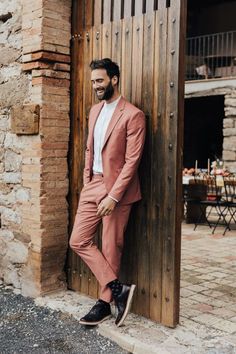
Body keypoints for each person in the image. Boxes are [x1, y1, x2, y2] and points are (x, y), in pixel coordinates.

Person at [69, 58, 146, 327]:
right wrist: (86, 181)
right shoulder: (94, 111)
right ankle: (117, 289)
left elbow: (132, 161)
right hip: (93, 184)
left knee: (111, 246)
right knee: (78, 240)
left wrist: (113, 196)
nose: (95, 86)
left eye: (99, 81)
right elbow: (90, 149)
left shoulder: (133, 115)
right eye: (92, 82)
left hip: (117, 190)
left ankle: (103, 304)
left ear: (114, 79)